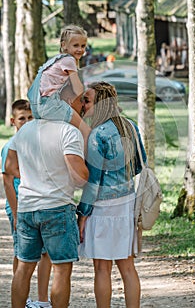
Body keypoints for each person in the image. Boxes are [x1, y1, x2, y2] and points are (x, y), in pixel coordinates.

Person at [5, 95, 89, 308]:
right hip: (57, 207)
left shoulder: (25, 130)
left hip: (26, 208)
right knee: (61, 269)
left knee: (24, 267)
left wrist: (33, 176)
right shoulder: (68, 131)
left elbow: (10, 167)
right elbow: (80, 175)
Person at [76, 81, 147, 308]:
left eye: (87, 100)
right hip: (127, 201)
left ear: (102, 104)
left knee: (102, 268)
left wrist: (82, 214)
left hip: (103, 208)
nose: (83, 104)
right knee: (127, 267)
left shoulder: (97, 135)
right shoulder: (131, 126)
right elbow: (140, 164)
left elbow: (94, 181)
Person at [1, 99, 52, 308]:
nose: (27, 121)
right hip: (20, 206)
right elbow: (7, 182)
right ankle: (21, 296)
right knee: (22, 254)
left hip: (40, 203)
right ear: (13, 121)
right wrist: (16, 213)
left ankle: (42, 299)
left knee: (45, 253)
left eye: (31, 117)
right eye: (22, 118)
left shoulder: (38, 144)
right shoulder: (10, 147)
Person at [27, 24, 88, 132]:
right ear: (64, 45)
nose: (80, 49)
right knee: (85, 130)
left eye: (83, 46)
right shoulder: (69, 60)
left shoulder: (55, 60)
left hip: (36, 106)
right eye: (76, 45)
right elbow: (78, 90)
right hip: (50, 104)